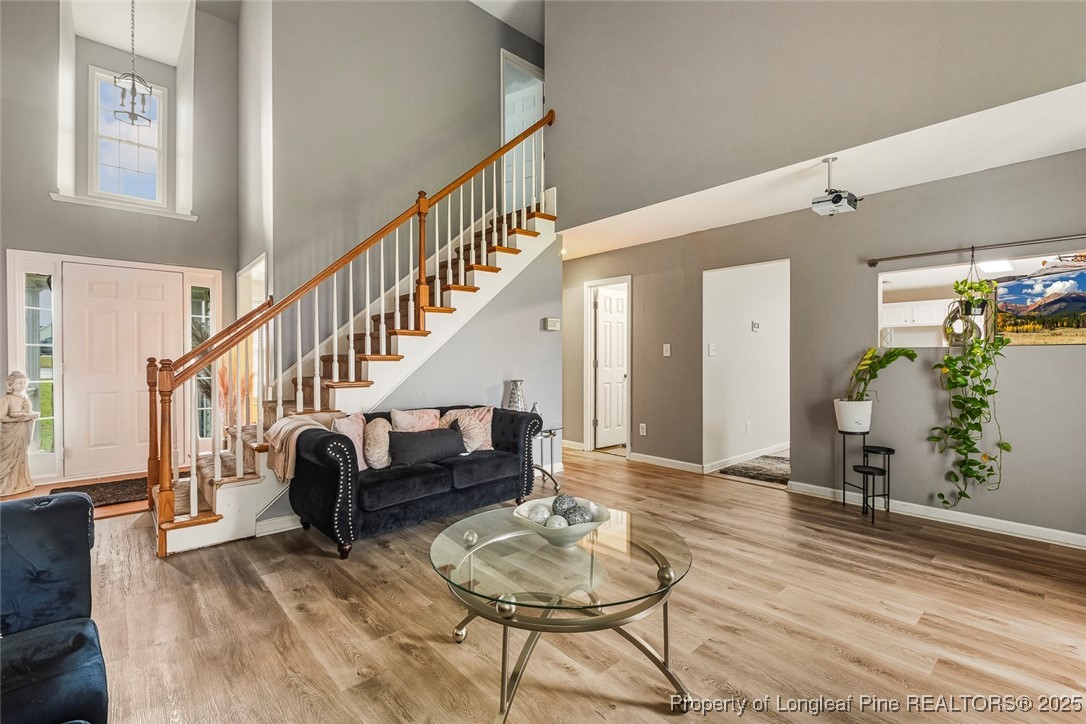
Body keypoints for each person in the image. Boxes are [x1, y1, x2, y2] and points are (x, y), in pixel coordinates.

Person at [1, 370, 40, 496]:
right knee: (9, 457)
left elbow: (28, 413)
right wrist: (21, 417)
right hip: (10, 434)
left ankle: (20, 482)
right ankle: (6, 486)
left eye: (24, 382)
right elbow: (2, 418)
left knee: (21, 456)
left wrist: (28, 413)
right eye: (19, 383)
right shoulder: (6, 399)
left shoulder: (25, 398)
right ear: (11, 384)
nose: (22, 385)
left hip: (22, 432)